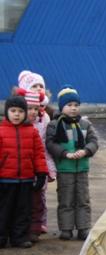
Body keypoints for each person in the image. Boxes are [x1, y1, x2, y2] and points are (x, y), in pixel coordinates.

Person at [46, 85, 98, 241]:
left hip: (82, 168)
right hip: (65, 168)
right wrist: (65, 154)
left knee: (83, 199)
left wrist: (86, 151)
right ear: (62, 107)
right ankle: (66, 229)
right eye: (69, 105)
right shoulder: (54, 125)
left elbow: (93, 141)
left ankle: (83, 228)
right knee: (66, 199)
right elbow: (50, 144)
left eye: (76, 105)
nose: (73, 108)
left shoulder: (85, 124)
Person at [0, 95, 48, 249]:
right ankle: (1, 237)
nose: (16, 114)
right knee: (4, 210)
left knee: (23, 211)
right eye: (13, 111)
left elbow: (39, 154)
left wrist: (41, 173)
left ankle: (19, 237)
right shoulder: (1, 131)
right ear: (7, 112)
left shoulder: (32, 132)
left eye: (20, 111)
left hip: (26, 180)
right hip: (5, 180)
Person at [19, 88, 55, 241]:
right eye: (29, 108)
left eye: (36, 108)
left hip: (38, 169)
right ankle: (19, 228)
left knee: (38, 199)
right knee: (20, 201)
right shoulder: (16, 125)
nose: (33, 112)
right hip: (19, 172)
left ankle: (36, 227)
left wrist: (49, 169)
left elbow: (44, 151)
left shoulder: (43, 122)